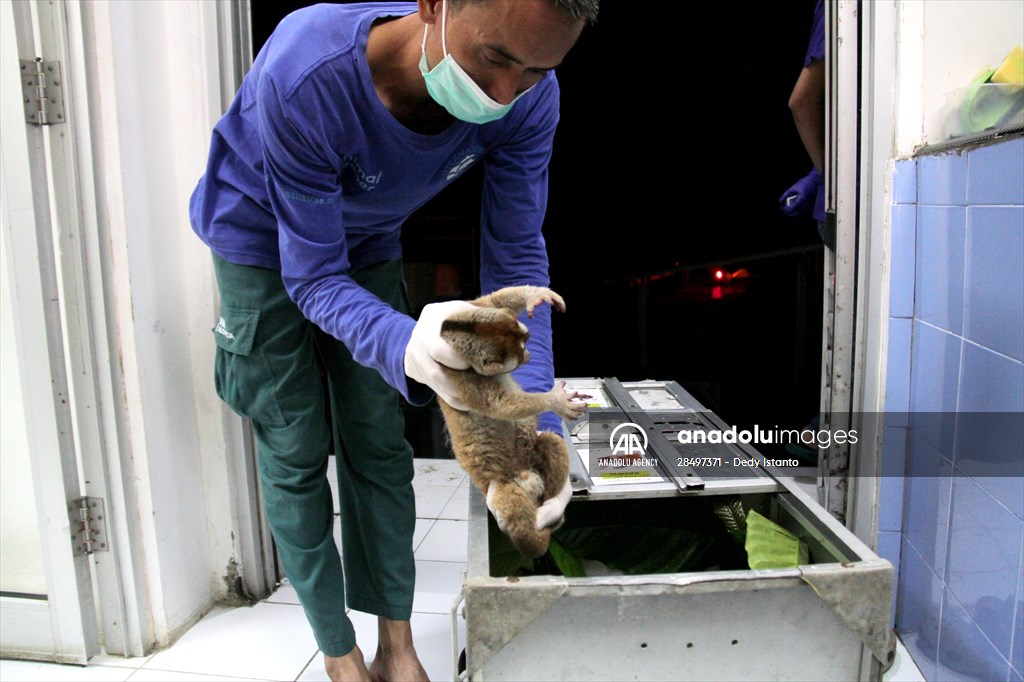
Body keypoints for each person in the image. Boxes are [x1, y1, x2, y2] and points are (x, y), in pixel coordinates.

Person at [188, 1, 597, 679]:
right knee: (293, 441)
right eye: (495, 58)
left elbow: (519, 265)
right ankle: (338, 653)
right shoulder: (307, 73)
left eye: (533, 72)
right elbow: (313, 275)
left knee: (378, 440)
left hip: (367, 234)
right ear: (433, 5)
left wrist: (535, 435)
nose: (504, 96)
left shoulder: (530, 97)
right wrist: (402, 341)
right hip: (256, 236)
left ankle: (397, 647)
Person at [781, 0, 833, 250]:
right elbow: (799, 101)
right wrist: (827, 174)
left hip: (840, 198)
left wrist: (819, 176)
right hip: (847, 200)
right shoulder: (841, 8)